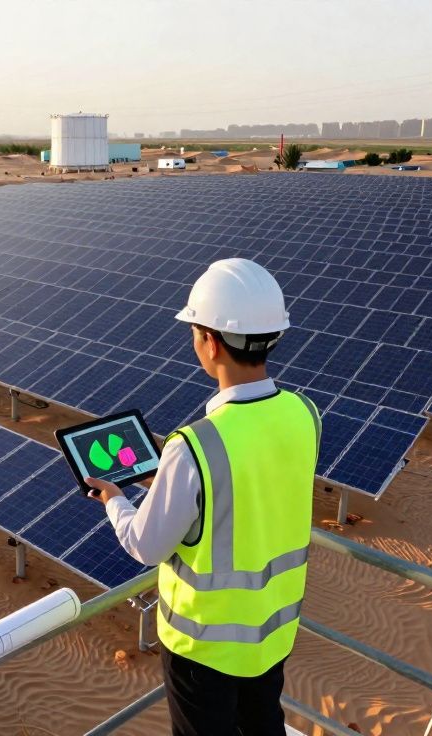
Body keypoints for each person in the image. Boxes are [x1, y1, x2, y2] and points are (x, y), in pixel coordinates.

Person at [86, 258, 321, 736]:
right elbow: (252, 487)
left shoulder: (195, 446)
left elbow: (146, 546)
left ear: (210, 341)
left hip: (203, 650)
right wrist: (171, 484)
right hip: (272, 635)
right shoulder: (306, 414)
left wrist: (115, 498)